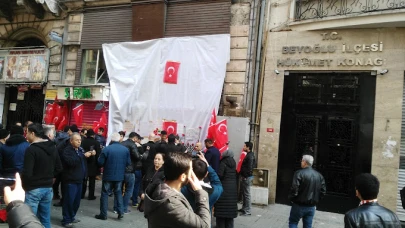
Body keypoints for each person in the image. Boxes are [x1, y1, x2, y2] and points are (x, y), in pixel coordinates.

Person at [144, 152, 211, 228]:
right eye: (191, 170)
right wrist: (200, 191)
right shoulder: (172, 204)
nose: (192, 173)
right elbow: (205, 225)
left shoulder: (159, 188)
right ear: (182, 177)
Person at [22, 123, 63, 228]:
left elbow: (27, 172)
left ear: (32, 133)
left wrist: (24, 186)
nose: (26, 135)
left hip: (33, 189)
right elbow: (59, 167)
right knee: (45, 219)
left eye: (27, 133)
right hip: (48, 188)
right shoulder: (53, 147)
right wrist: (50, 177)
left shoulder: (31, 149)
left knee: (30, 220)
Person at [60, 133, 94, 227]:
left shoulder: (80, 150)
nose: (79, 141)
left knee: (76, 202)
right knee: (69, 201)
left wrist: (91, 155)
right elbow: (71, 162)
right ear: (71, 141)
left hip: (79, 179)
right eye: (77, 140)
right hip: (70, 180)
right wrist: (83, 156)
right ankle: (66, 220)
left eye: (80, 140)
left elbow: (85, 162)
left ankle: (72, 217)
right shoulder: (67, 151)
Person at [95, 132, 131, 220]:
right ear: (119, 139)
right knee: (118, 193)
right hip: (119, 176)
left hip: (108, 175)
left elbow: (100, 162)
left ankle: (103, 214)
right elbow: (128, 163)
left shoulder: (107, 149)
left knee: (105, 194)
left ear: (111, 139)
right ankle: (120, 212)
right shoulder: (125, 150)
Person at [288, 154, 326, 228]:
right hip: (311, 206)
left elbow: (294, 189)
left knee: (293, 222)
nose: (301, 162)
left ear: (305, 162)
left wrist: (292, 199)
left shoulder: (299, 173)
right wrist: (316, 200)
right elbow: (323, 191)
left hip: (299, 204)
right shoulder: (319, 175)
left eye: (302, 161)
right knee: (308, 225)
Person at [117, 132, 141, 213]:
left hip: (121, 170)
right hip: (130, 170)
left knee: (119, 189)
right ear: (134, 138)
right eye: (137, 139)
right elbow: (137, 157)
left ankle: (117, 208)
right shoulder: (133, 145)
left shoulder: (122, 143)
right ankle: (123, 208)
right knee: (129, 190)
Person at [214, 149, 238, 228]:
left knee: (221, 214)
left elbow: (220, 174)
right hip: (232, 188)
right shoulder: (233, 162)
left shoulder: (223, 162)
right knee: (229, 215)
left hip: (224, 187)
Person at [81, 129, 101, 200]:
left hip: (84, 163)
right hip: (93, 164)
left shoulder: (83, 142)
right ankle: (91, 195)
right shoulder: (96, 143)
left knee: (84, 180)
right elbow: (98, 154)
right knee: (92, 181)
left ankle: (81, 194)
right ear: (93, 135)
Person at [239, 141, 255, 216]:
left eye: (245, 146)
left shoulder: (250, 156)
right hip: (245, 176)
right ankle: (244, 208)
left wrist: (245, 176)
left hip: (247, 177)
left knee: (247, 194)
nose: (243, 147)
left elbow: (250, 168)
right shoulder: (249, 155)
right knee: (244, 193)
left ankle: (247, 210)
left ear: (248, 147)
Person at [131, 133, 144, 207]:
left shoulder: (131, 146)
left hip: (131, 169)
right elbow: (142, 157)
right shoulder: (139, 147)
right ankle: (134, 201)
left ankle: (131, 197)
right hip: (138, 168)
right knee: (136, 185)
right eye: (140, 139)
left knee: (130, 185)